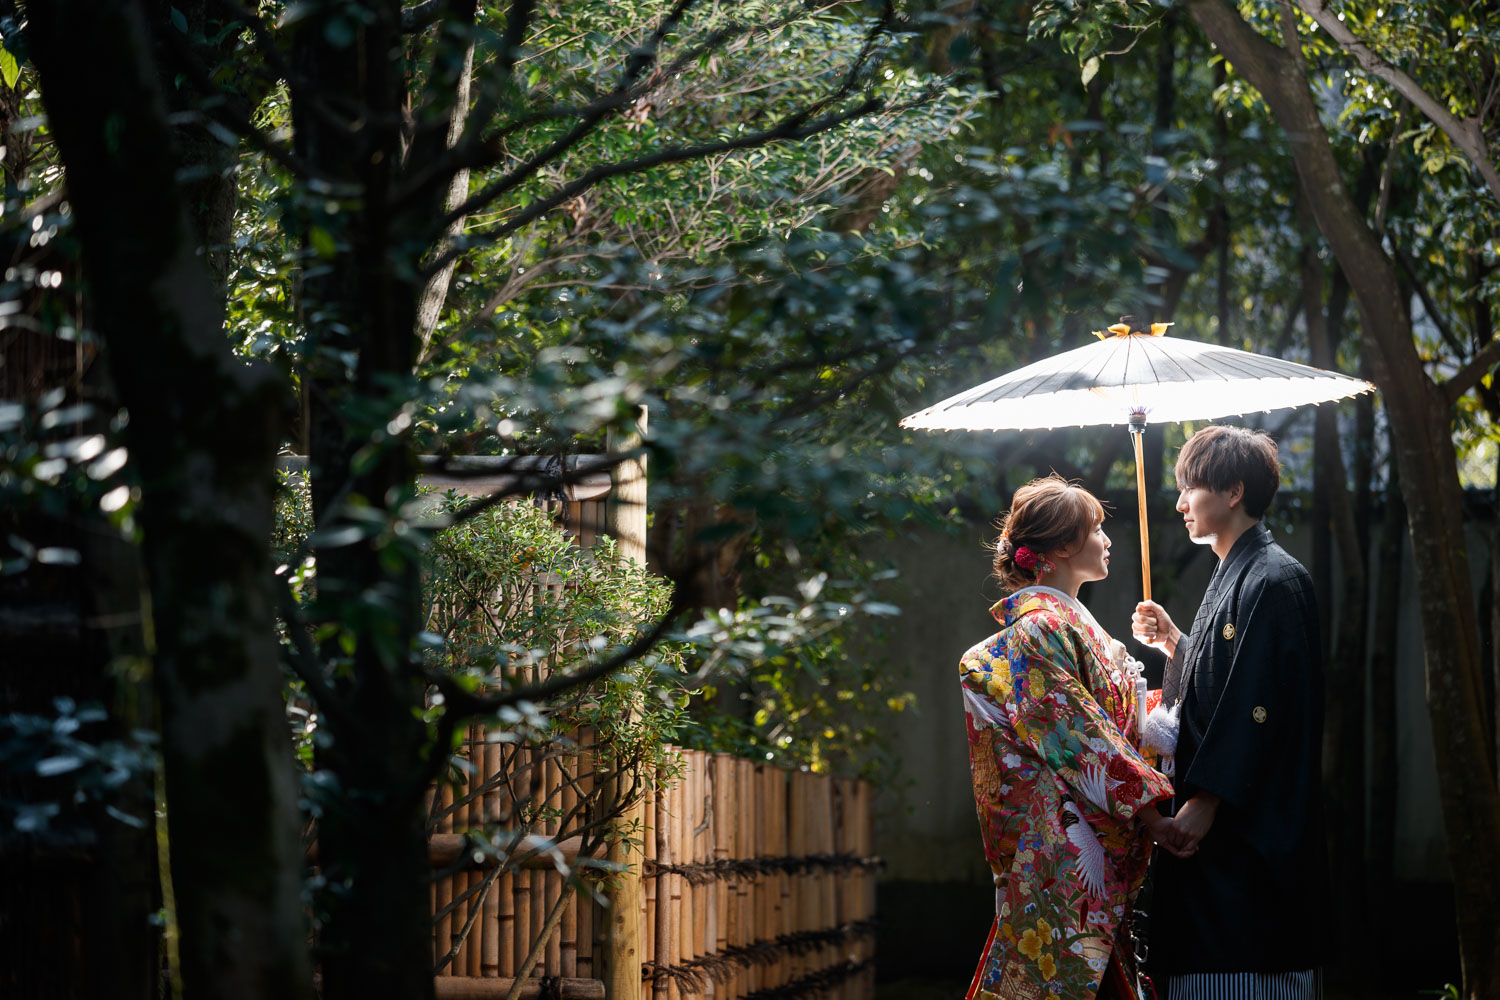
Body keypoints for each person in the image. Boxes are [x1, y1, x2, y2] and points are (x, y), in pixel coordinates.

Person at [1131, 425, 1331, 1000]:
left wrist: (1206, 800)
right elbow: (1232, 675)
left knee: (1246, 970)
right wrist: (1176, 643)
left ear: (1233, 490)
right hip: (1224, 834)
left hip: (1251, 830)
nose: (1179, 503)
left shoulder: (1273, 577)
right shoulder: (1237, 571)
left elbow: (1258, 703)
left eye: (1190, 487)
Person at [961, 475, 1176, 1000]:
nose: (1107, 541)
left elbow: (1115, 726)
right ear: (1059, 547)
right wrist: (1151, 812)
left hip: (1091, 844)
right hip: (1058, 848)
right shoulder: (1038, 631)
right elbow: (1081, 736)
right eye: (1096, 529)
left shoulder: (1074, 629)